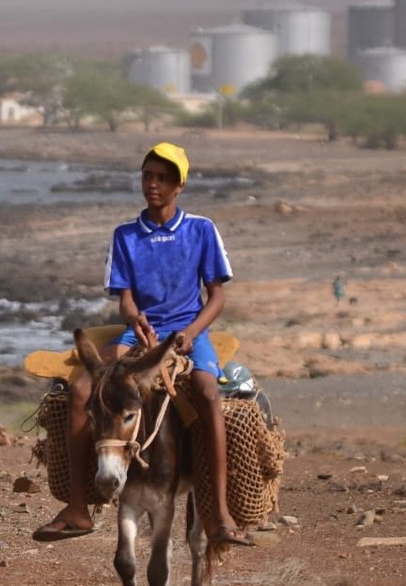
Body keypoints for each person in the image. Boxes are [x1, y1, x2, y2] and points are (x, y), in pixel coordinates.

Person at [33, 142, 252, 547]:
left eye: (163, 178)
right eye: (148, 176)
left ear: (179, 185)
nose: (153, 184)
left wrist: (188, 333)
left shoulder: (201, 230)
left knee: (207, 392)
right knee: (83, 389)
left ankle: (219, 512)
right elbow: (126, 298)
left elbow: (216, 296)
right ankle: (79, 508)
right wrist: (135, 318)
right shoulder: (125, 235)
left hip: (189, 331)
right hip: (139, 332)